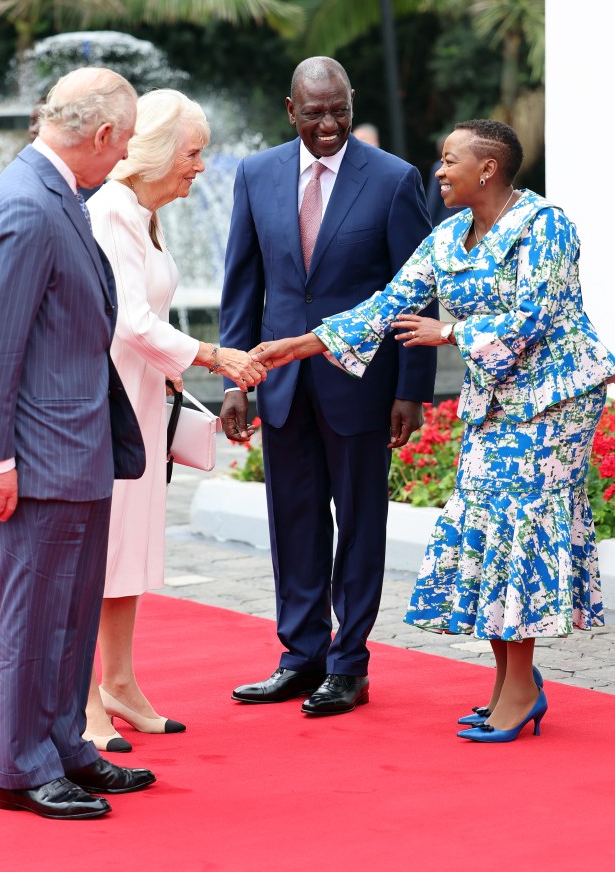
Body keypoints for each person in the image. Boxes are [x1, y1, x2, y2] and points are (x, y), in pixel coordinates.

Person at [251, 119, 615, 742]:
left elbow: (534, 316)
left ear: (488, 169)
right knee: (484, 524)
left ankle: (521, 685)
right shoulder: (447, 238)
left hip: (554, 400)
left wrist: (449, 333)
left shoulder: (546, 226)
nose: (439, 170)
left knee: (515, 530)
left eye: (450, 160)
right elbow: (387, 303)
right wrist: (304, 345)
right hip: (496, 400)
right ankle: (509, 685)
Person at [0, 67, 157, 820]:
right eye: (125, 142)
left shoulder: (56, 195)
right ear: (102, 135)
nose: (125, 156)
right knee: (36, 620)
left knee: (70, 618)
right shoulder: (27, 205)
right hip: (37, 461)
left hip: (76, 451)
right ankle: (21, 768)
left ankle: (66, 745)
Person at [220, 56, 437, 716]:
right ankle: (301, 655)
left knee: (361, 523)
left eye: (338, 109)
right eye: (314, 112)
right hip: (284, 384)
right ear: (291, 110)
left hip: (363, 387)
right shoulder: (256, 175)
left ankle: (349, 663)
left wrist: (411, 389)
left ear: (350, 101)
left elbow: (416, 289)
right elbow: (243, 284)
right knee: (294, 522)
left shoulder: (394, 179)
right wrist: (237, 378)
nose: (328, 124)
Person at [84, 89, 266, 752]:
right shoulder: (111, 211)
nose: (201, 167)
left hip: (141, 408)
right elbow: (129, 320)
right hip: (107, 412)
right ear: (159, 150)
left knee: (129, 550)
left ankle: (121, 683)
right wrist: (214, 355)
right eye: (194, 153)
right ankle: (84, 705)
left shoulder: (142, 212)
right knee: (99, 557)